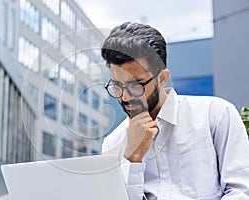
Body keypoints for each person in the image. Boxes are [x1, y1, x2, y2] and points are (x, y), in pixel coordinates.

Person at [101, 22, 249, 200]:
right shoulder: (113, 144)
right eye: (117, 86)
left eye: (135, 85)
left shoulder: (216, 115)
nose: (124, 97)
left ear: (162, 78)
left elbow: (242, 192)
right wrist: (133, 157)